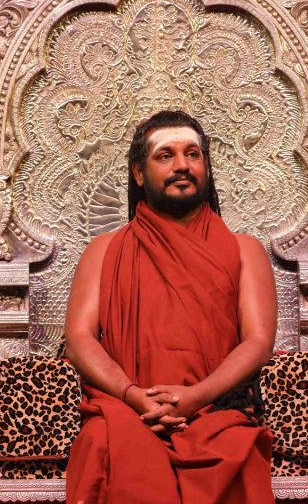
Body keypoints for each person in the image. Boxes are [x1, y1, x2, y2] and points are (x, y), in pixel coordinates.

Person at [64, 110, 277, 504]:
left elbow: (258, 342)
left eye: (192, 154)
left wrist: (196, 397)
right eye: (165, 155)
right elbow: (79, 340)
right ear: (139, 173)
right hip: (126, 410)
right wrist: (132, 395)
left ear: (206, 167)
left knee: (241, 453)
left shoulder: (244, 250)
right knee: (100, 443)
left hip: (214, 412)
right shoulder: (105, 250)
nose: (182, 165)